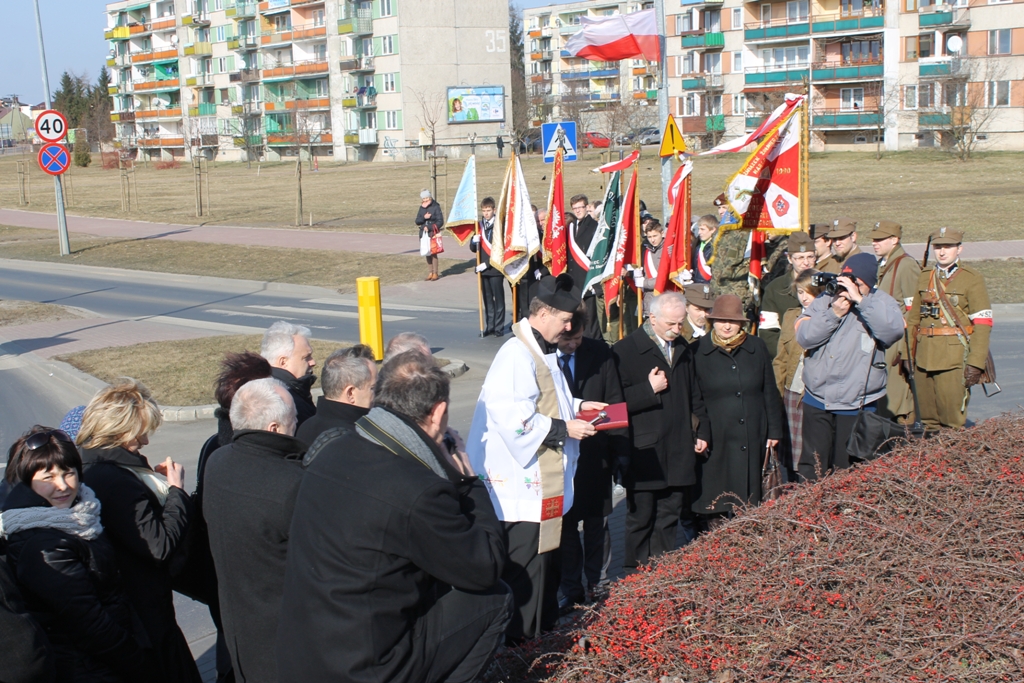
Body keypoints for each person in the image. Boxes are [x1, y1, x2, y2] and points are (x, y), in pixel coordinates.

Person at [277, 352, 512, 683]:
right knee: (496, 597)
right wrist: (467, 480)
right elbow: (484, 567)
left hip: (304, 652)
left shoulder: (333, 449)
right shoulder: (418, 489)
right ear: (439, 412)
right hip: (369, 666)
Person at [466, 274, 606, 641]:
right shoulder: (516, 353)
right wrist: (565, 429)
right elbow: (512, 416)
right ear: (542, 313)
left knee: (547, 568)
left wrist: (578, 406)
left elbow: (544, 399)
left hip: (541, 489)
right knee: (527, 574)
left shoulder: (538, 349)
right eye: (564, 321)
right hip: (521, 493)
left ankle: (541, 634)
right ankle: (520, 647)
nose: (570, 327)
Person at [77, 379, 201, 683]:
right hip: (145, 615)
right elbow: (158, 545)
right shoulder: (116, 480)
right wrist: (176, 492)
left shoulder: (91, 466)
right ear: (119, 431)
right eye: (139, 433)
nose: (144, 441)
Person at [2, 427, 144, 683]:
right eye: (48, 478)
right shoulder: (43, 542)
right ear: (26, 480)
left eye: (69, 473)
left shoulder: (81, 515)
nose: (63, 486)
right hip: (87, 668)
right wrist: (140, 663)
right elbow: (89, 625)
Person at [204, 378, 306, 683]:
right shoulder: (293, 484)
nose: (297, 427)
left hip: (240, 632)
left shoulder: (217, 462)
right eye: (294, 421)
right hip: (288, 643)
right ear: (275, 429)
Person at [612, 292, 710, 573]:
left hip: (679, 447)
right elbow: (613, 406)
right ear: (651, 318)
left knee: (668, 518)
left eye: (681, 324)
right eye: (671, 324)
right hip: (645, 452)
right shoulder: (624, 351)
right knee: (641, 519)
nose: (677, 330)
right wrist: (648, 390)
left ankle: (662, 576)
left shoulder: (682, 348)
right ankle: (633, 579)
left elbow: (695, 396)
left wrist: (702, 430)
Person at [795, 253, 904, 482]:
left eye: (857, 283)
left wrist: (862, 302)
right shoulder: (825, 300)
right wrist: (833, 314)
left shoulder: (882, 302)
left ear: (869, 284)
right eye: (846, 279)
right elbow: (804, 337)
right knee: (812, 466)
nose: (849, 287)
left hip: (857, 402)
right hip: (818, 398)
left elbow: (891, 332)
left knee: (848, 469)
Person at [555, 310, 628, 610]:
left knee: (598, 525)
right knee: (567, 529)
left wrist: (620, 455)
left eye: (578, 338)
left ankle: (598, 583)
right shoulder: (544, 357)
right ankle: (571, 590)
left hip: (596, 457)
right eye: (567, 339)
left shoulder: (599, 353)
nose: (573, 344)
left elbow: (614, 402)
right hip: (561, 457)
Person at [692, 295, 784, 526]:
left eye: (732, 321)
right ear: (712, 321)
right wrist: (699, 432)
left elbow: (769, 391)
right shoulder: (697, 351)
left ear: (741, 323)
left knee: (750, 499)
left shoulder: (756, 346)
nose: (726, 326)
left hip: (752, 433)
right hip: (716, 436)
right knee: (717, 500)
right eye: (721, 320)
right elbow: (693, 398)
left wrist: (774, 430)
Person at [907, 227, 992, 431]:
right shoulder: (925, 275)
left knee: (952, 422)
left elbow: (983, 324)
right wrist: (907, 354)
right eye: (938, 247)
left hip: (953, 359)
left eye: (948, 247)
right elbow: (913, 319)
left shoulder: (972, 278)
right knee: (928, 421)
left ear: (959, 249)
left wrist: (975, 363)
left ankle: (951, 460)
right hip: (924, 356)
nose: (942, 252)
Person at [772, 270, 824, 475]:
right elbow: (781, 359)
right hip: (792, 391)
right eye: (800, 291)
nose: (804, 297)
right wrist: (776, 395)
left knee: (813, 453)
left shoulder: (829, 317)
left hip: (816, 394)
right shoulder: (791, 316)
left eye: (808, 292)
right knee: (790, 453)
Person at [870, 220, 922, 423]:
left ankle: (905, 446)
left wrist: (904, 349)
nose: (875, 243)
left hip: (898, 343)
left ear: (894, 240)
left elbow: (913, 310)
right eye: (874, 239)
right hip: (884, 341)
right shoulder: (884, 264)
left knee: (900, 401)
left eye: (880, 239)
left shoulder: (906, 265)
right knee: (885, 401)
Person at [296, 345, 376, 445]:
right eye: (372, 388)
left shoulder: (305, 428)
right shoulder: (363, 438)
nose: (377, 393)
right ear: (350, 393)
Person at [758, 231, 817, 358]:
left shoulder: (826, 285)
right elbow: (768, 332)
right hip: (786, 356)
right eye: (800, 258)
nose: (806, 262)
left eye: (810, 257)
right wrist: (786, 354)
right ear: (790, 259)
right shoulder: (775, 288)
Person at [261, 321, 317, 427]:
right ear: (283, 362)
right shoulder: (288, 403)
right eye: (306, 357)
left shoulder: (261, 386)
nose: (313, 362)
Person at [566, 194, 602, 340]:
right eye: (574, 208)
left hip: (588, 279)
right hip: (574, 281)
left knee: (590, 319)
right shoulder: (571, 227)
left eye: (580, 207)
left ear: (587, 207)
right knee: (578, 317)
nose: (577, 211)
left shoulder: (595, 227)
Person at [471, 196, 507, 336]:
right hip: (482, 269)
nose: (486, 213)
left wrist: (486, 264)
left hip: (495, 269)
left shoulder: (499, 226)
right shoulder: (478, 226)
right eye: (484, 211)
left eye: (488, 210)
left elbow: (500, 249)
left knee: (498, 299)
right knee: (487, 299)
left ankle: (498, 327)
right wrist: (474, 242)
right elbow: (473, 249)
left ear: (494, 210)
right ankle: (489, 326)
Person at [416, 189, 445, 281]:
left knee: (433, 253)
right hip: (423, 234)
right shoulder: (421, 207)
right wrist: (424, 218)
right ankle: (430, 272)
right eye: (424, 198)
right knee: (427, 252)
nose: (425, 200)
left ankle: (435, 273)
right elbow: (417, 221)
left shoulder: (436, 206)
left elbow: (440, 221)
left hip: (432, 233)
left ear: (430, 197)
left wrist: (429, 227)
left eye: (427, 197)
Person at [691, 214, 718, 284]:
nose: (699, 232)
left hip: (708, 286)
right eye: (699, 229)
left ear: (713, 230)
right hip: (697, 285)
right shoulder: (698, 245)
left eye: (702, 229)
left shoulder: (715, 248)